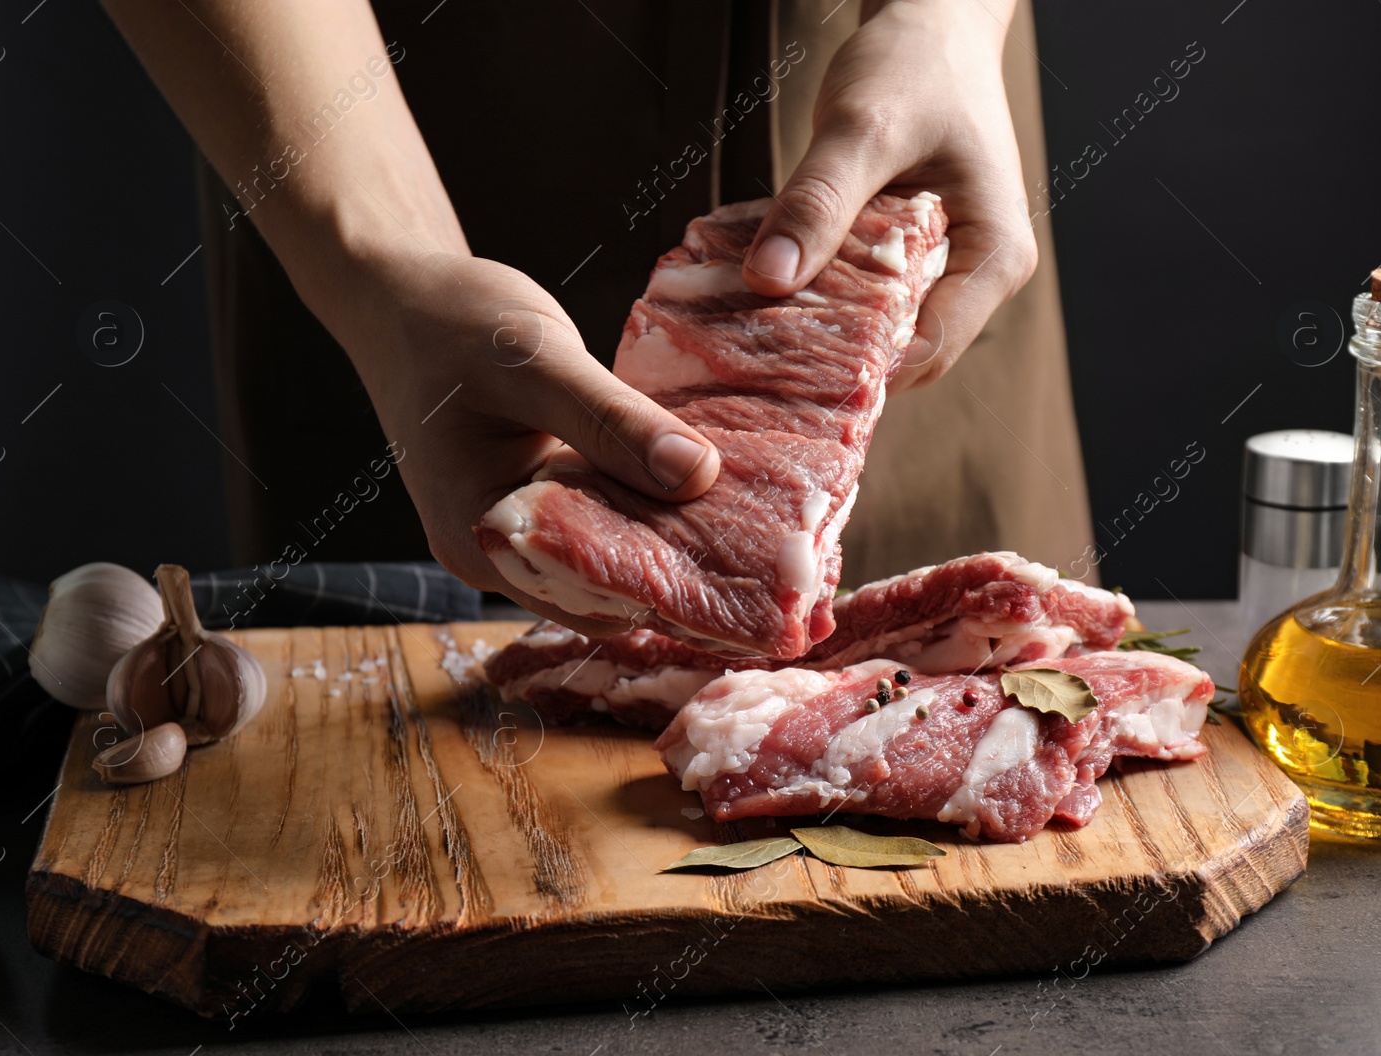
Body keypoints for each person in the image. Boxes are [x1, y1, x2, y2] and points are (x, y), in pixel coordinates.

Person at [103, 0, 1095, 632]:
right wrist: (380, 263)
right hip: (380, 122)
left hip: (894, 128)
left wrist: (949, 26)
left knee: (981, 691)